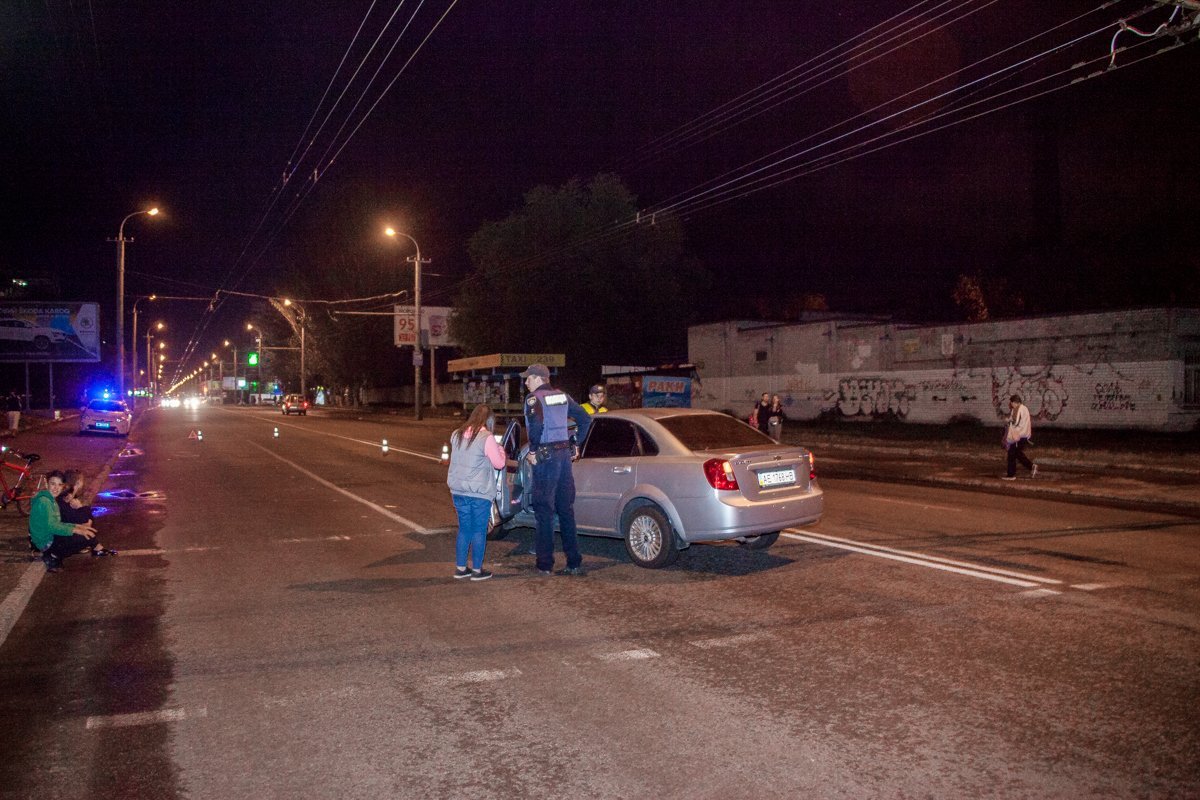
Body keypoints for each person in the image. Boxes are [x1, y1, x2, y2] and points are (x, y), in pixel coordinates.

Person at [521, 363, 592, 576]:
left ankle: (545, 564)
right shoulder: (562, 396)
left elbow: (536, 426)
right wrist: (575, 443)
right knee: (566, 510)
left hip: (546, 458)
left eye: (528, 378)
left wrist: (533, 451)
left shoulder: (533, 399)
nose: (526, 382)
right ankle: (574, 562)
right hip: (563, 457)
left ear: (538, 378)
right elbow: (585, 419)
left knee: (544, 511)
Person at [446, 404, 506, 581]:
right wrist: (500, 449)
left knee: (464, 529)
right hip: (479, 493)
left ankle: (460, 568)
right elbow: (499, 464)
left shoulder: (456, 434)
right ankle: (477, 571)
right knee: (479, 531)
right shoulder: (486, 437)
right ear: (489, 420)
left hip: (458, 490)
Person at [29, 470, 113, 572]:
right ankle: (53, 555)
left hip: (48, 536)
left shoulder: (50, 499)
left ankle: (55, 553)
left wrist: (77, 527)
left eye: (59, 485)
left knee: (86, 532)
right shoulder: (45, 501)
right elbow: (52, 526)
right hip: (45, 541)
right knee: (84, 536)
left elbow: (57, 524)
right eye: (53, 484)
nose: (56, 488)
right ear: (47, 484)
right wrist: (76, 530)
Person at [1003, 394, 1038, 481]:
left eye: (1011, 403)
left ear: (1014, 402)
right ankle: (1031, 466)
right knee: (1017, 453)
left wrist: (1008, 421)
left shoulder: (1018, 409)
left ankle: (1011, 475)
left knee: (1011, 454)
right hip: (1024, 435)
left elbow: (1015, 422)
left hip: (1018, 435)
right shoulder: (1024, 408)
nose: (1011, 405)